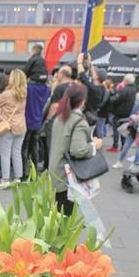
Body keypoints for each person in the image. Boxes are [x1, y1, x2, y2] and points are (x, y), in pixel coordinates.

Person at [47, 83, 102, 214]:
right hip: (68, 178)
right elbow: (78, 150)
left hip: (55, 172)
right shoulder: (79, 122)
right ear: (82, 101)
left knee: (57, 214)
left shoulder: (59, 117)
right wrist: (95, 145)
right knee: (66, 215)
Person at [0, 68, 28, 188]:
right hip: (21, 126)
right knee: (17, 153)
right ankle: (18, 178)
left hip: (8, 127)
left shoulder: (7, 94)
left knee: (5, 154)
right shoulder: (24, 92)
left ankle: (5, 180)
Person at [21, 45, 50, 180]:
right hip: (38, 121)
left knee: (25, 147)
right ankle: (34, 174)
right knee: (35, 146)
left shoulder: (30, 88)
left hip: (28, 120)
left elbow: (23, 72)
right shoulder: (46, 89)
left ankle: (24, 172)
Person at [107, 74, 138, 153]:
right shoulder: (134, 89)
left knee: (116, 130)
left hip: (119, 112)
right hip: (127, 112)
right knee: (124, 130)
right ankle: (123, 146)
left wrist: (110, 98)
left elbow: (116, 99)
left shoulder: (125, 90)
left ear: (126, 81)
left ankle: (115, 146)